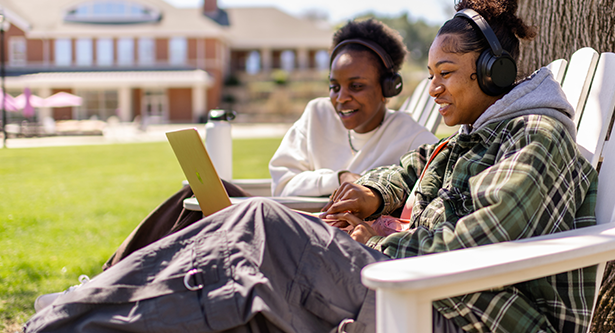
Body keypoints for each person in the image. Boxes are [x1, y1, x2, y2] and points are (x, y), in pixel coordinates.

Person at [26, 0, 597, 333]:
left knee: (257, 222)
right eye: (433, 76)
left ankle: (75, 317)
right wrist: (375, 193)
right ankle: (85, 309)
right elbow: (409, 170)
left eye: (446, 74)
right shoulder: (469, 136)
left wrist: (372, 240)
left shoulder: (534, 139)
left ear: (495, 71)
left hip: (447, 313)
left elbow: (480, 241)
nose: (437, 89)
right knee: (244, 277)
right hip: (415, 290)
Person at [99, 18, 438, 271]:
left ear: (389, 87)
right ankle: (109, 277)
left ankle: (109, 291)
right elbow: (283, 181)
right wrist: (338, 177)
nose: (341, 98)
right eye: (334, 86)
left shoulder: (410, 137)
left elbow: (432, 177)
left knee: (209, 212)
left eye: (356, 86)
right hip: (281, 214)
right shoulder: (317, 113)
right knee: (195, 197)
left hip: (312, 241)